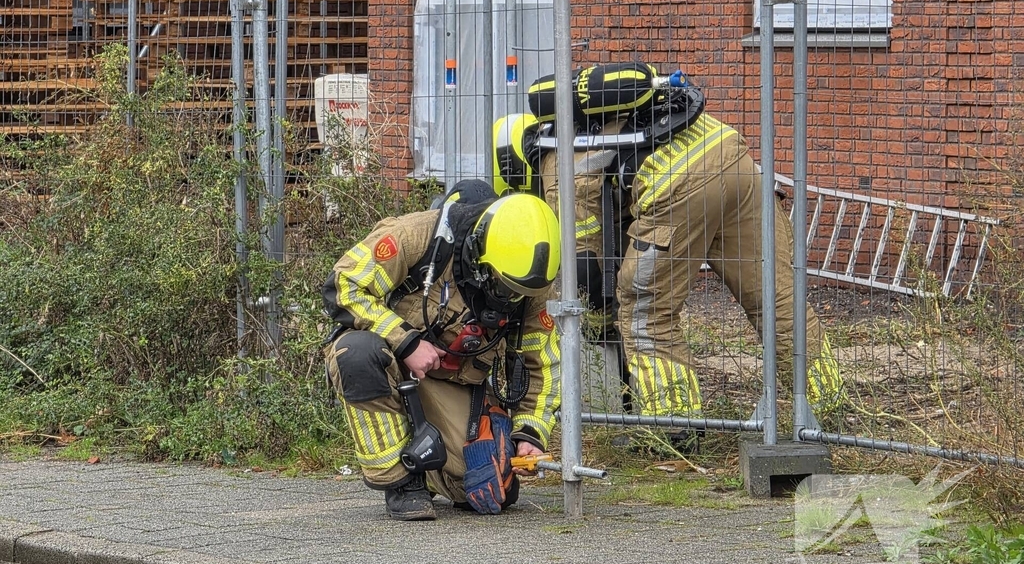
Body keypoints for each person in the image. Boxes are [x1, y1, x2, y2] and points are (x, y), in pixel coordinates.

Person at [495, 61, 843, 423]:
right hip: (734, 161)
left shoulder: (556, 164)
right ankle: (826, 404)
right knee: (776, 298)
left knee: (645, 313)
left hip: (678, 186)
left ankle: (674, 425)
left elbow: (584, 264)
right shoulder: (599, 122)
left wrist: (600, 321)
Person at [322, 182, 562, 520]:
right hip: (393, 362)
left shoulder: (530, 284)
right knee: (356, 353)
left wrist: (530, 433)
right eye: (502, 286)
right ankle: (401, 482)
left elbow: (542, 366)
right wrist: (406, 342)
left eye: (517, 291)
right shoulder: (416, 236)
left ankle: (432, 465)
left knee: (495, 489)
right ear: (480, 254)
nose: (510, 298)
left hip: (452, 383)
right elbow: (344, 286)